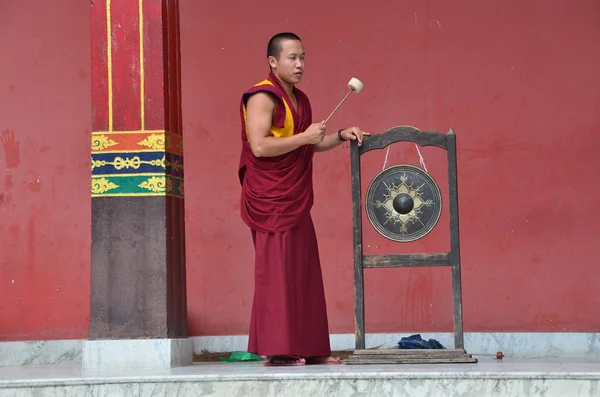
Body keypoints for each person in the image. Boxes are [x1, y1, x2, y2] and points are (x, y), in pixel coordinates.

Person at [237, 32, 369, 367]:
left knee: (304, 271)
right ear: (273, 62)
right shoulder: (262, 97)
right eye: (292, 58)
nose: (299, 65)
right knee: (277, 273)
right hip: (271, 200)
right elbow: (260, 146)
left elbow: (307, 144)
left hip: (294, 200)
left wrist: (340, 135)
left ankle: (311, 347)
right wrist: (305, 137)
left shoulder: (301, 99)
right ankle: (279, 351)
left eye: (303, 57)